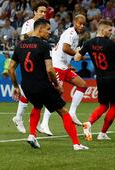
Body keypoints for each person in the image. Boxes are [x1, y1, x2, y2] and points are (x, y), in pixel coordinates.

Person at [8, 18, 88, 150]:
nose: (49, 32)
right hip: (43, 86)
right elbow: (50, 69)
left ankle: (32, 135)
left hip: (27, 86)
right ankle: (76, 144)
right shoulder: (44, 45)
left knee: (37, 107)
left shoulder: (20, 45)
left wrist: (16, 86)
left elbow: (11, 68)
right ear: (40, 29)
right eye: (48, 29)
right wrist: (57, 85)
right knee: (64, 112)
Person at [37, 14, 88, 136]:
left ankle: (72, 112)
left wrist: (69, 64)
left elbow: (62, 51)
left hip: (64, 66)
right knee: (54, 95)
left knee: (83, 85)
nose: (81, 26)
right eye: (79, 23)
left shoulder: (74, 34)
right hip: (57, 67)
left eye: (83, 24)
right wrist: (78, 53)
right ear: (74, 22)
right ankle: (44, 123)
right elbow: (65, 48)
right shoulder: (71, 33)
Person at [74, 19, 115, 141]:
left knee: (103, 105)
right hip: (113, 77)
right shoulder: (110, 43)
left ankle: (89, 123)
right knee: (114, 105)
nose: (111, 32)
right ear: (102, 29)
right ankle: (102, 133)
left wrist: (85, 52)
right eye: (110, 30)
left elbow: (77, 58)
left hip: (100, 78)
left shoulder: (88, 43)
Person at [12, 0, 48, 134]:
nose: (43, 14)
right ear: (35, 12)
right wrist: (34, 31)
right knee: (32, 88)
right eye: (41, 11)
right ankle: (21, 117)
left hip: (38, 58)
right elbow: (22, 38)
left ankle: (20, 117)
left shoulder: (44, 25)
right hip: (28, 59)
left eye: (45, 11)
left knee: (34, 89)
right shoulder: (29, 23)